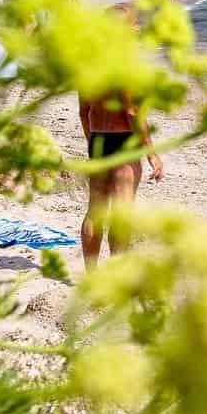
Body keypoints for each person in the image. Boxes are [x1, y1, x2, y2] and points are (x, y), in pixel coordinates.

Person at [79, 30, 164, 270]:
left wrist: (93, 143)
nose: (137, 30)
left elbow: (83, 112)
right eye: (133, 25)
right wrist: (152, 154)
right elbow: (132, 113)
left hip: (98, 141)